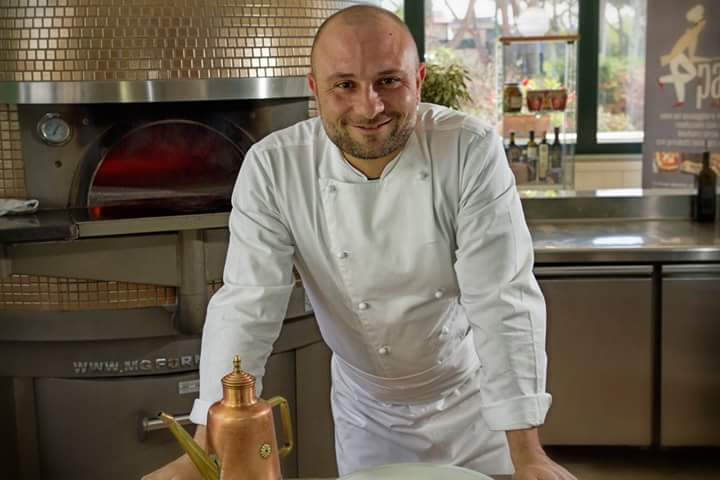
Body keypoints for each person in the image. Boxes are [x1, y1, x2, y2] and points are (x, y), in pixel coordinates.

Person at [144, 5, 575, 480]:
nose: (370, 108)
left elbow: (500, 298)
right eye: (345, 85)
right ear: (314, 89)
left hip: (470, 406)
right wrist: (206, 446)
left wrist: (528, 454)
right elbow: (248, 303)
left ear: (419, 80)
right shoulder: (274, 167)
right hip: (367, 413)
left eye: (388, 81)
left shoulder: (468, 150)